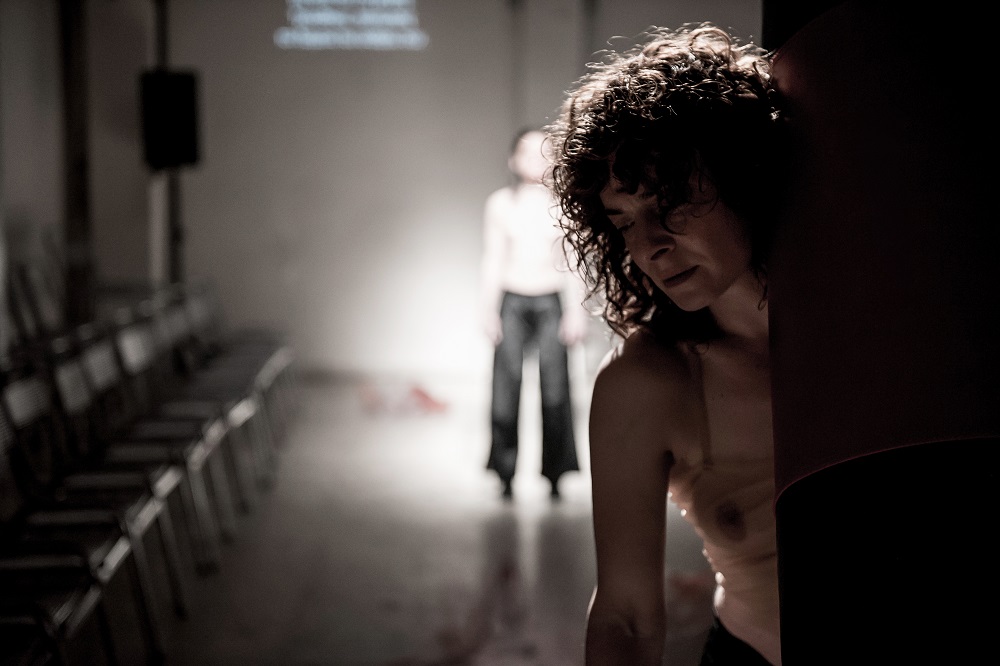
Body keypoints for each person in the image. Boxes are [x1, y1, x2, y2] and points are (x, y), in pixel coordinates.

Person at [546, 24, 781, 664]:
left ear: (745, 175)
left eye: (669, 202)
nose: (648, 246)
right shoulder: (645, 384)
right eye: (623, 220)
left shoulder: (873, 327)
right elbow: (625, 616)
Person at [480, 128, 589, 501]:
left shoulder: (564, 204)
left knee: (556, 391)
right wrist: (488, 309)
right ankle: (504, 471)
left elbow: (572, 261)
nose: (536, 159)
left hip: (550, 301)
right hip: (512, 300)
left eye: (544, 152)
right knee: (505, 389)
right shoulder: (500, 204)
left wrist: (575, 311)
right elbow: (493, 258)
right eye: (527, 152)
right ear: (513, 160)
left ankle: (556, 473)